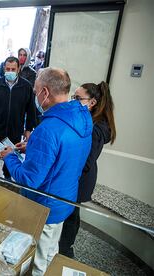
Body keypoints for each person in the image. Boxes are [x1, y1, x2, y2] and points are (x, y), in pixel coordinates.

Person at [0, 67, 93, 275]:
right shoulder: (83, 118)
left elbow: (29, 179)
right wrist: (33, 147)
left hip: (45, 206)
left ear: (45, 93)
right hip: (65, 199)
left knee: (38, 262)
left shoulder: (48, 129)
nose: (35, 96)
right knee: (51, 250)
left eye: (35, 92)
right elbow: (66, 154)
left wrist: (10, 157)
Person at [59, 81, 116, 258]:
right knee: (70, 213)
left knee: (71, 216)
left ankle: (65, 252)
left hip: (80, 178)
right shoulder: (87, 121)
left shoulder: (97, 128)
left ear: (92, 103)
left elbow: (86, 161)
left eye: (78, 98)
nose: (73, 101)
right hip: (75, 176)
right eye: (73, 97)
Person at [0, 56, 36, 182]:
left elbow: (31, 110)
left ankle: (7, 176)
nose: (10, 71)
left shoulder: (26, 87)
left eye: (13, 69)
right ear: (4, 69)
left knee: (11, 156)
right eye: (8, 69)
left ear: (18, 69)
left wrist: (28, 129)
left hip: (15, 130)